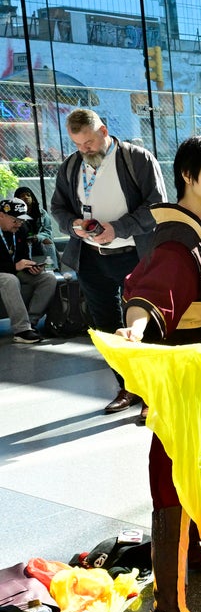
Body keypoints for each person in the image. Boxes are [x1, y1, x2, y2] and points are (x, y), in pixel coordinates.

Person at [116, 134, 201, 612]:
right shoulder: (177, 238)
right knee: (173, 489)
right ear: (187, 174)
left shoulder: (199, 228)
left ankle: (187, 586)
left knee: (192, 483)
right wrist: (136, 323)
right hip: (185, 383)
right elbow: (152, 286)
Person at [51, 108, 167, 413]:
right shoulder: (71, 166)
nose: (84, 149)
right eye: (78, 144)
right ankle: (127, 387)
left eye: (88, 142)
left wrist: (119, 228)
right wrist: (73, 226)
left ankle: (153, 395)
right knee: (105, 327)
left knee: (142, 325)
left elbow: (157, 205)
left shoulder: (136, 159)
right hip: (92, 257)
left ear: (103, 131)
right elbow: (59, 208)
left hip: (133, 256)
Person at [1, 196, 57, 344]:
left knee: (49, 278)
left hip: (15, 271)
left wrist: (31, 267)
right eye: (15, 220)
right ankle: (21, 330)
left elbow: (23, 256)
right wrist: (14, 267)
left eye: (22, 220)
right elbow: (13, 267)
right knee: (9, 279)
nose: (19, 224)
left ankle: (31, 323)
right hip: (5, 274)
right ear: (1, 215)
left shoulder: (21, 230)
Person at [15, 186, 57, 269]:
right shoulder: (15, 214)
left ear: (32, 198)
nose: (26, 197)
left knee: (48, 241)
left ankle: (53, 268)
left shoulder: (41, 213)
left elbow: (48, 231)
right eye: (22, 196)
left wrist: (37, 237)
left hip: (38, 239)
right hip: (22, 240)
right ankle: (29, 268)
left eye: (28, 195)